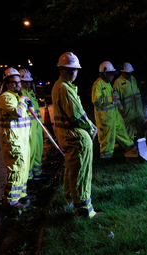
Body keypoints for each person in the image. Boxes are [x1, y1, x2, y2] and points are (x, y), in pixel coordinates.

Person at [52, 52, 100, 219]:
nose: (74, 73)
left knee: (71, 170)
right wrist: (91, 128)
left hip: (68, 136)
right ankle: (84, 211)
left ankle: (70, 200)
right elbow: (77, 115)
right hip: (75, 138)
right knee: (81, 172)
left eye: (76, 70)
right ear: (62, 70)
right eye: (71, 70)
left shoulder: (60, 86)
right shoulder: (64, 88)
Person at [0, 67, 35, 209]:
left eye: (19, 82)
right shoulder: (5, 97)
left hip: (22, 140)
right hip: (12, 141)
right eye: (14, 83)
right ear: (7, 83)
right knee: (16, 169)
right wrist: (23, 101)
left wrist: (23, 101)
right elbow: (18, 113)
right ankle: (10, 200)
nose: (18, 85)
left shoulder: (16, 97)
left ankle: (21, 195)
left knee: (23, 169)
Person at [92, 61, 135, 159]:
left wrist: (120, 108)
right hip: (105, 118)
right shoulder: (98, 84)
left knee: (121, 131)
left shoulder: (108, 84)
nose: (113, 77)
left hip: (114, 115)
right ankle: (106, 158)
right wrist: (111, 99)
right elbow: (96, 101)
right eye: (111, 75)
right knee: (107, 138)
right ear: (105, 74)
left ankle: (130, 147)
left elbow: (115, 98)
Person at [19, 69, 45, 181]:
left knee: (38, 149)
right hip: (29, 127)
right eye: (25, 81)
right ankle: (28, 177)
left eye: (29, 81)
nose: (28, 83)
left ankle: (37, 172)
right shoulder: (20, 94)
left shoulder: (29, 92)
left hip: (37, 126)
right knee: (30, 151)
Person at [113, 62, 145, 140]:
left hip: (138, 111)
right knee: (129, 134)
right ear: (122, 72)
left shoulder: (133, 79)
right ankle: (131, 150)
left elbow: (137, 94)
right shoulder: (118, 83)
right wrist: (121, 109)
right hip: (128, 113)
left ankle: (142, 148)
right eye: (127, 73)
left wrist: (142, 105)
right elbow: (115, 99)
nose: (129, 75)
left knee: (141, 131)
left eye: (130, 73)